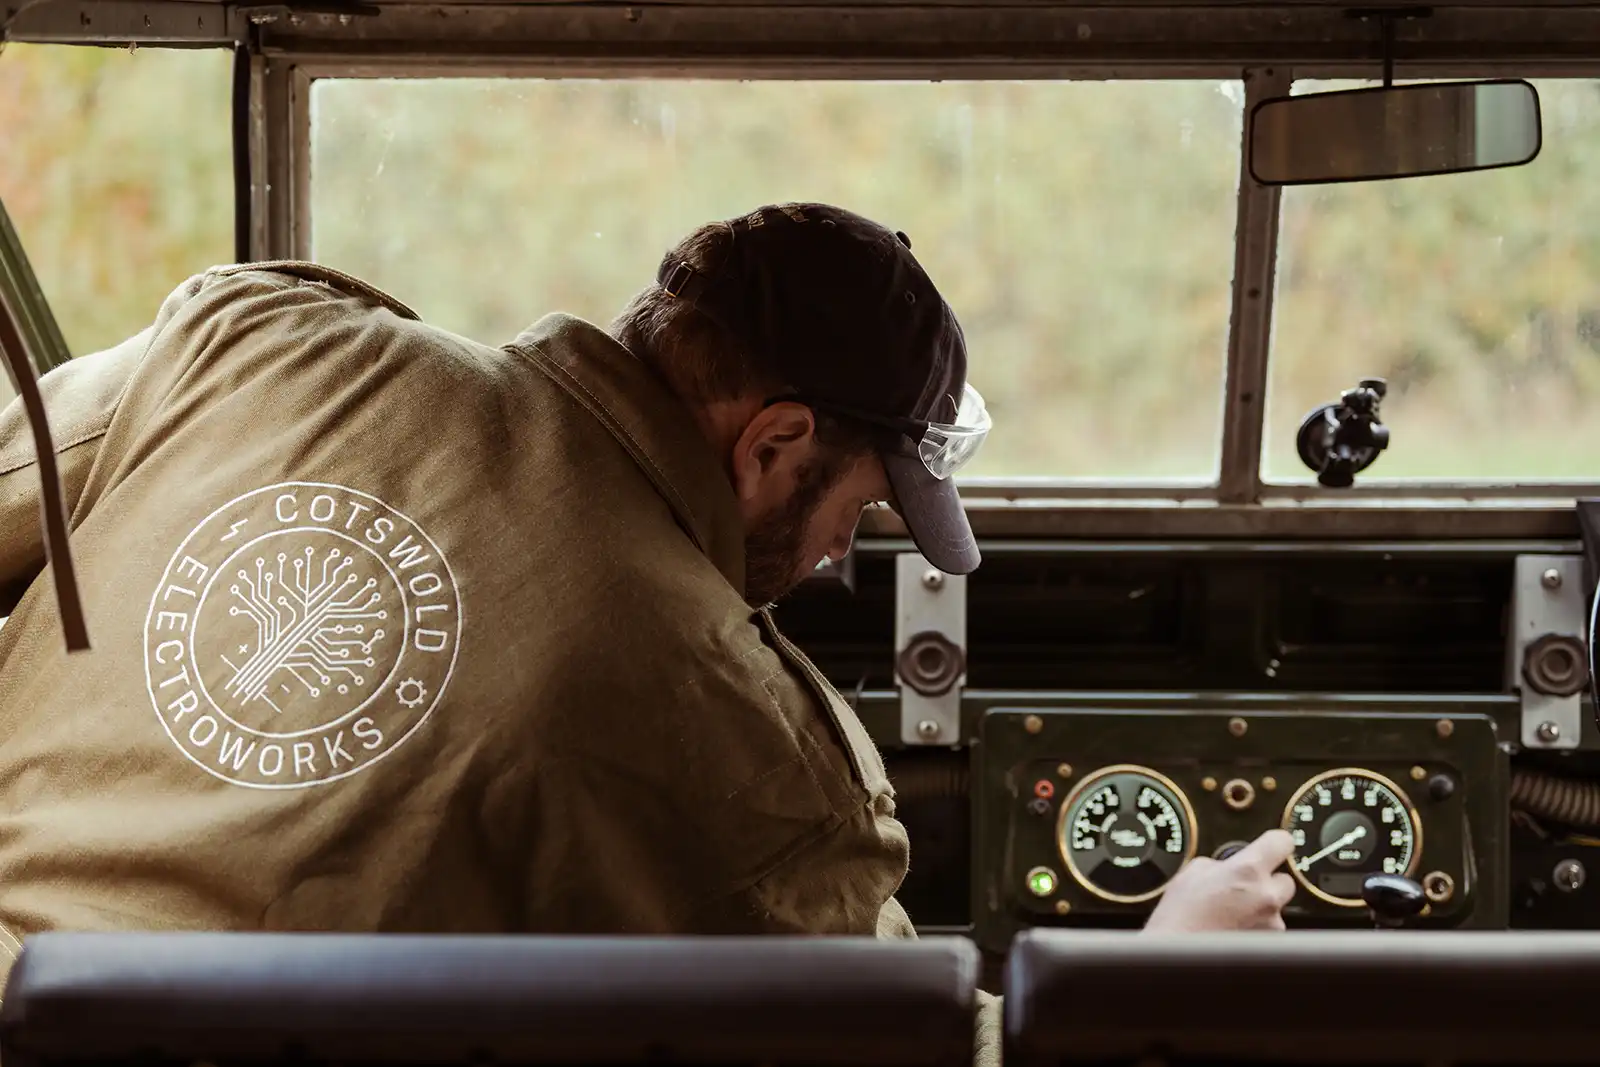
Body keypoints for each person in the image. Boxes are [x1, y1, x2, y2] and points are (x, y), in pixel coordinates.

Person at [0, 202, 1292, 1049]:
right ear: (775, 441)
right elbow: (901, 1043)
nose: (846, 555)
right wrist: (1159, 969)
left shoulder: (259, 340)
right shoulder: (734, 732)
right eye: (860, 511)